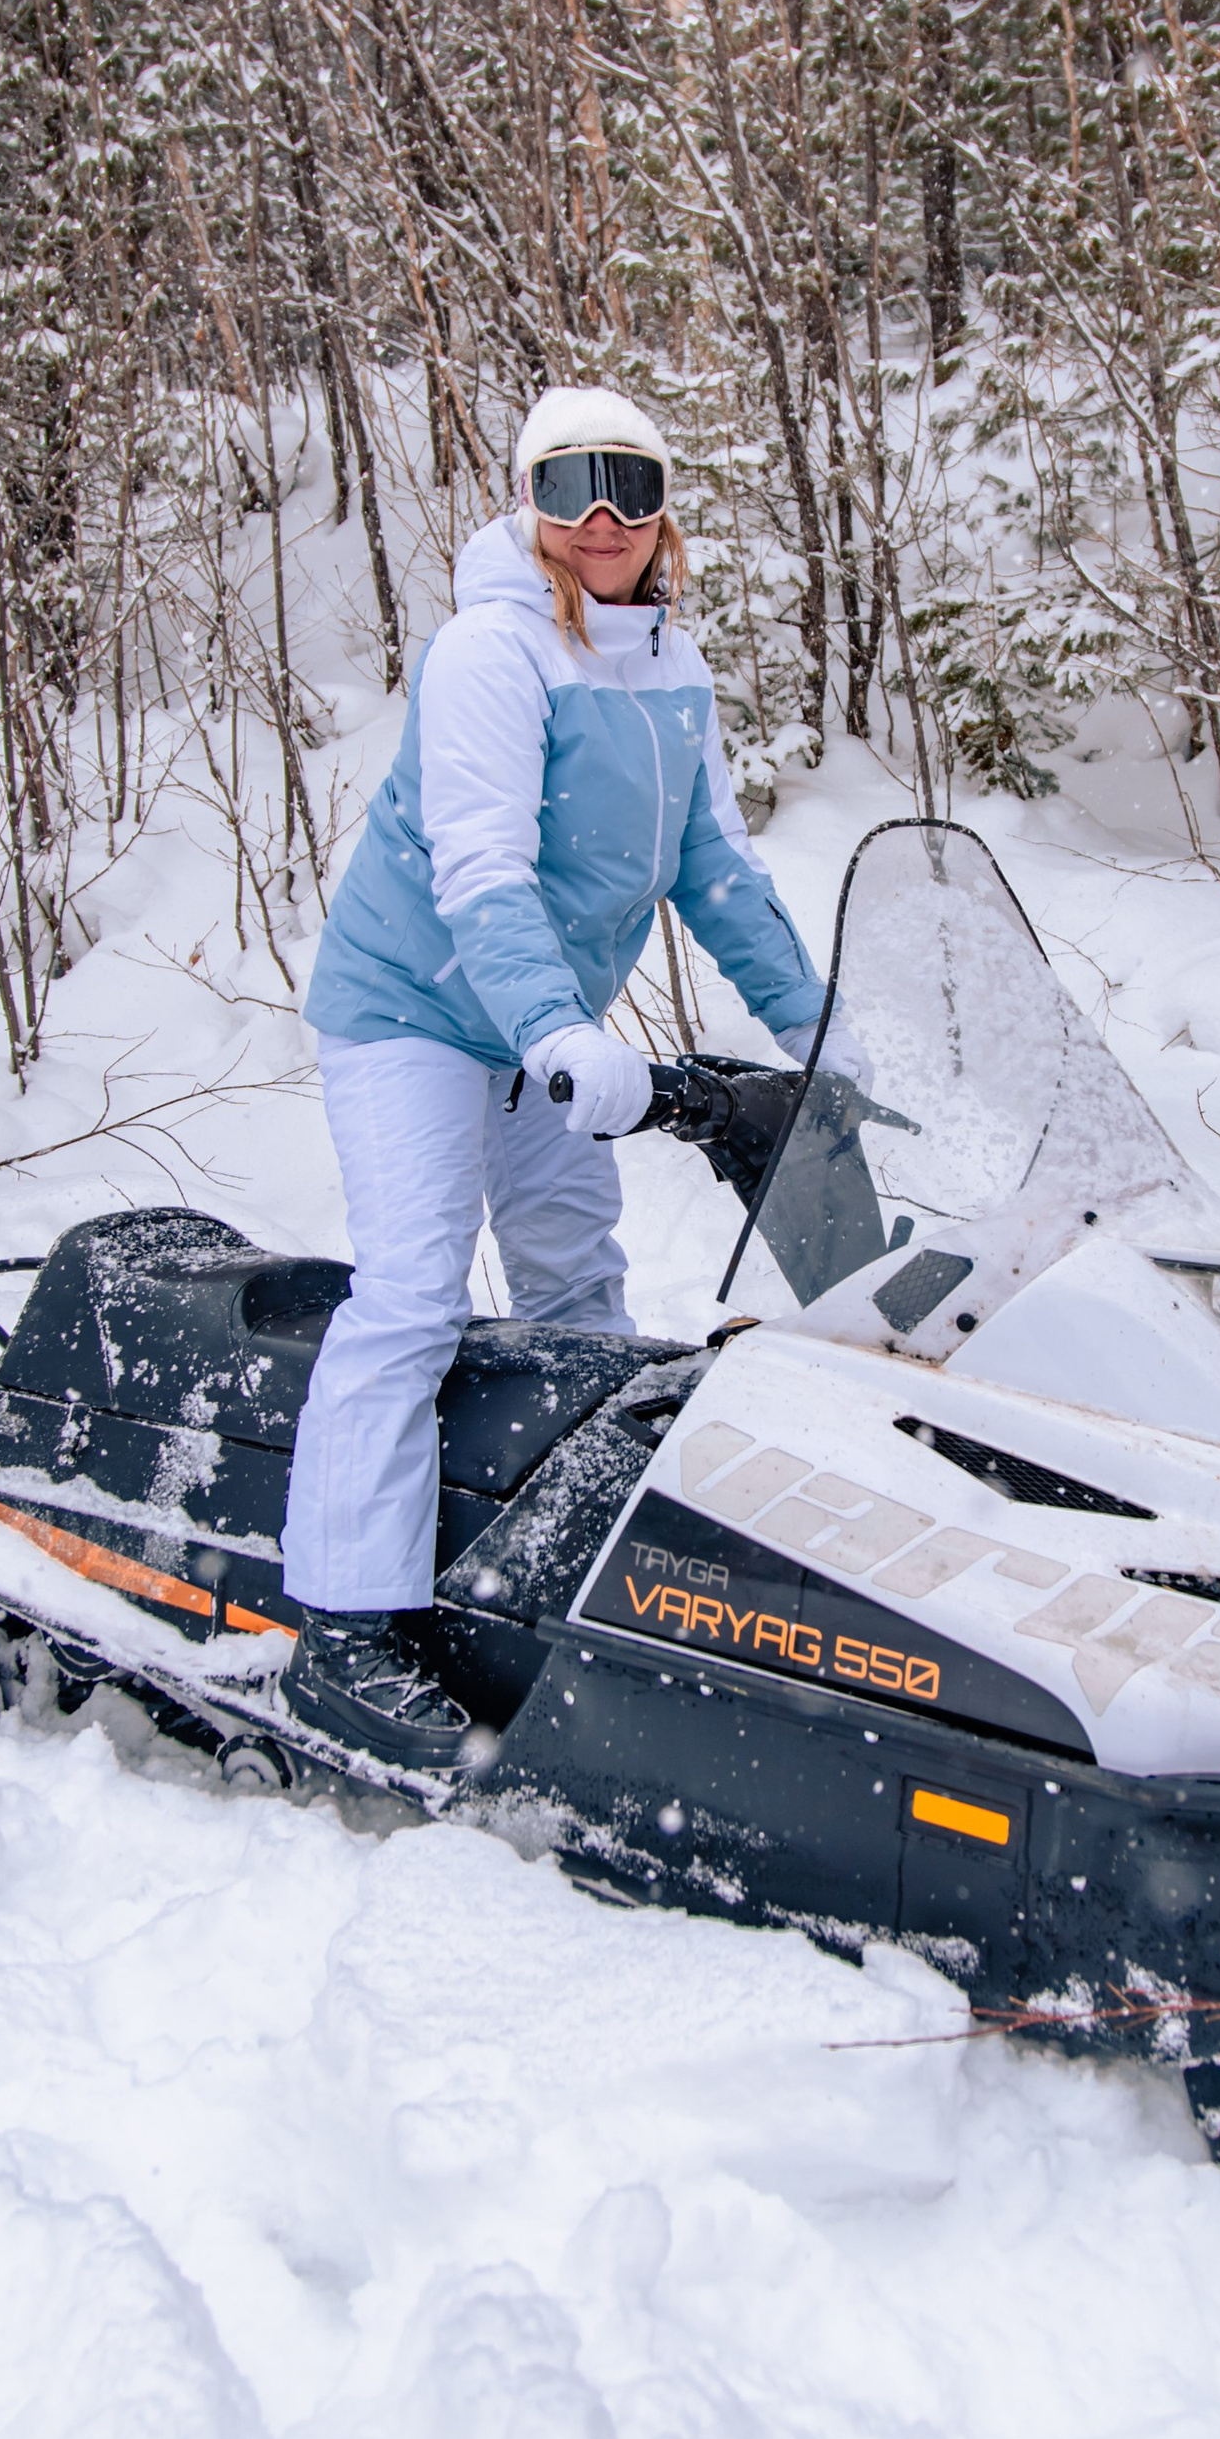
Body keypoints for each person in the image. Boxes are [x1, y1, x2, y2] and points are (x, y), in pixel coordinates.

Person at [278, 385, 858, 1766]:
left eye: (630, 487)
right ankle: (346, 1625)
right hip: (414, 1012)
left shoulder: (670, 671)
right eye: (570, 488)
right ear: (528, 505)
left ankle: (549, 1561)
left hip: (541, 1029)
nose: (602, 519)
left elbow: (716, 871)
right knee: (416, 1290)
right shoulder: (494, 651)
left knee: (576, 1284)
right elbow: (481, 864)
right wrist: (556, 1028)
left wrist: (828, 1032)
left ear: (664, 513)